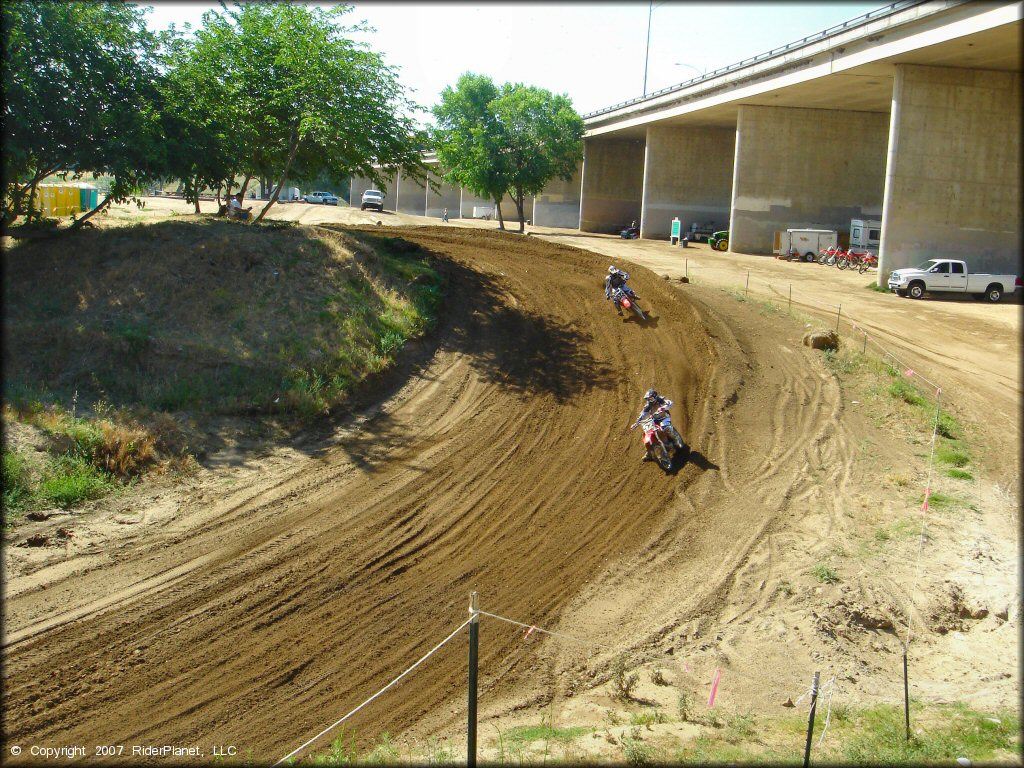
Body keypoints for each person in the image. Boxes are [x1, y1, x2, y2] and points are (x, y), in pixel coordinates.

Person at [637, 388, 683, 461]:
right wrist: (638, 421)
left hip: (664, 418)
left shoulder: (661, 400)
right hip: (655, 421)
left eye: (651, 399)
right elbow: (643, 414)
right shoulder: (648, 406)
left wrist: (664, 407)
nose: (650, 401)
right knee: (646, 434)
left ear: (655, 396)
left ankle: (676, 439)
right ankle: (649, 453)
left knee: (665, 427)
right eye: (648, 399)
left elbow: (669, 403)